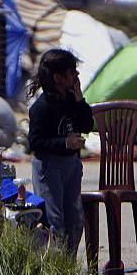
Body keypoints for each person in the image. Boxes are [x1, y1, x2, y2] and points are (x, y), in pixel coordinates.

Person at [27, 49, 93, 257]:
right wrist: (64, 143)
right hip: (49, 168)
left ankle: (69, 264)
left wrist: (80, 100)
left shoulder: (71, 101)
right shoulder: (41, 108)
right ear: (57, 78)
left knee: (74, 219)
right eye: (71, 72)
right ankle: (54, 267)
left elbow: (87, 124)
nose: (76, 76)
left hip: (70, 166)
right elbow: (35, 142)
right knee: (54, 220)